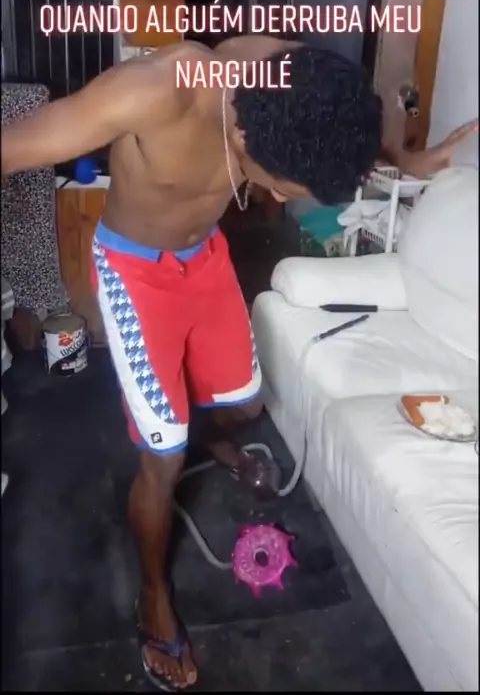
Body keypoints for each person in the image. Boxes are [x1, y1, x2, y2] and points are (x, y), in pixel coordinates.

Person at [2, 36, 477, 690]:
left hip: (205, 260)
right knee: (162, 453)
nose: (276, 199)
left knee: (247, 400)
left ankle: (199, 433)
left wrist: (412, 160)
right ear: (246, 138)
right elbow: (11, 147)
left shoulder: (288, 74)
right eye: (278, 185)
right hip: (135, 274)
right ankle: (153, 593)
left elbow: (340, 132)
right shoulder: (158, 91)